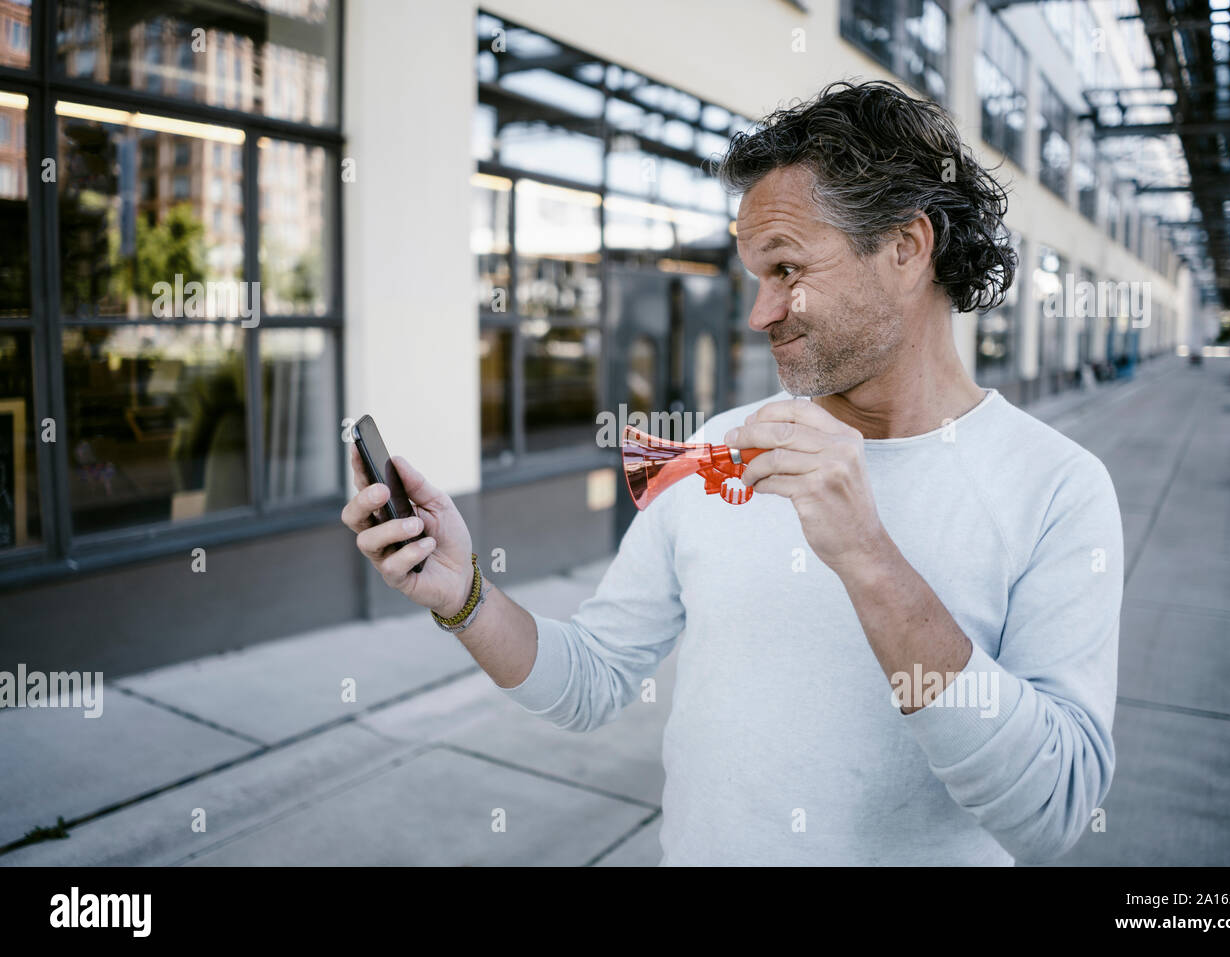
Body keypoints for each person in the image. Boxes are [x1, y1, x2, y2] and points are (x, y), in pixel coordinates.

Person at [340, 80, 1124, 866]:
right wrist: (464, 594)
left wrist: (868, 557)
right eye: (755, 276)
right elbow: (593, 677)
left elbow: (1051, 812)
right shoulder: (721, 447)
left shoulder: (1057, 489)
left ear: (905, 249)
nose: (760, 314)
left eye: (785, 269)